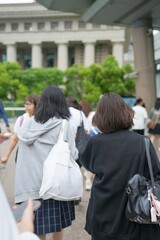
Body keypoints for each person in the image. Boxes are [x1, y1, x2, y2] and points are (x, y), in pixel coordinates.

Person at [79, 92, 160, 240]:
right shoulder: (143, 142)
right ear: (126, 113)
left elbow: (88, 164)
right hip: (136, 215)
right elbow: (155, 174)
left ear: (100, 116)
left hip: (103, 213)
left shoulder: (95, 142)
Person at [15, 86, 78, 240]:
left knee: (37, 228)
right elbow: (74, 154)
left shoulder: (27, 125)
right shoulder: (63, 124)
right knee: (58, 226)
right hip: (54, 185)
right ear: (60, 103)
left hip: (30, 187)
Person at [1, 95, 39, 164]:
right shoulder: (21, 119)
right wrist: (6, 156)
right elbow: (15, 139)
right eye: (26, 104)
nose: (26, 106)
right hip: (22, 154)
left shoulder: (41, 120)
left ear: (36, 105)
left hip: (36, 155)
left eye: (29, 104)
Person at [79, 100, 96, 191]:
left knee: (87, 161)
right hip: (95, 139)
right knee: (92, 161)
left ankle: (88, 178)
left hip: (85, 140)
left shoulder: (80, 114)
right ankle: (89, 178)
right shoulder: (94, 113)